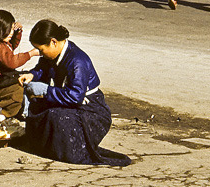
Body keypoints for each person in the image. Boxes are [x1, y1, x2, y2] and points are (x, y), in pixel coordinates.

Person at [20, 20, 130, 166]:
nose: (39, 54)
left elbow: (75, 96)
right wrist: (33, 75)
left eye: (41, 50)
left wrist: (46, 90)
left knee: (55, 117)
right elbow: (42, 68)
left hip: (91, 110)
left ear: (53, 42)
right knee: (37, 108)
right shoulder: (53, 55)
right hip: (71, 102)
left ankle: (69, 151)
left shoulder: (78, 60)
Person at [0, 10, 39, 118]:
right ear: (0, 30)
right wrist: (31, 53)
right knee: (17, 92)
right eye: (9, 30)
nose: (11, 32)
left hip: (4, 79)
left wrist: (17, 32)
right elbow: (11, 62)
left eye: (12, 29)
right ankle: (1, 114)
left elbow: (10, 47)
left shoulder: (0, 42)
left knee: (28, 78)